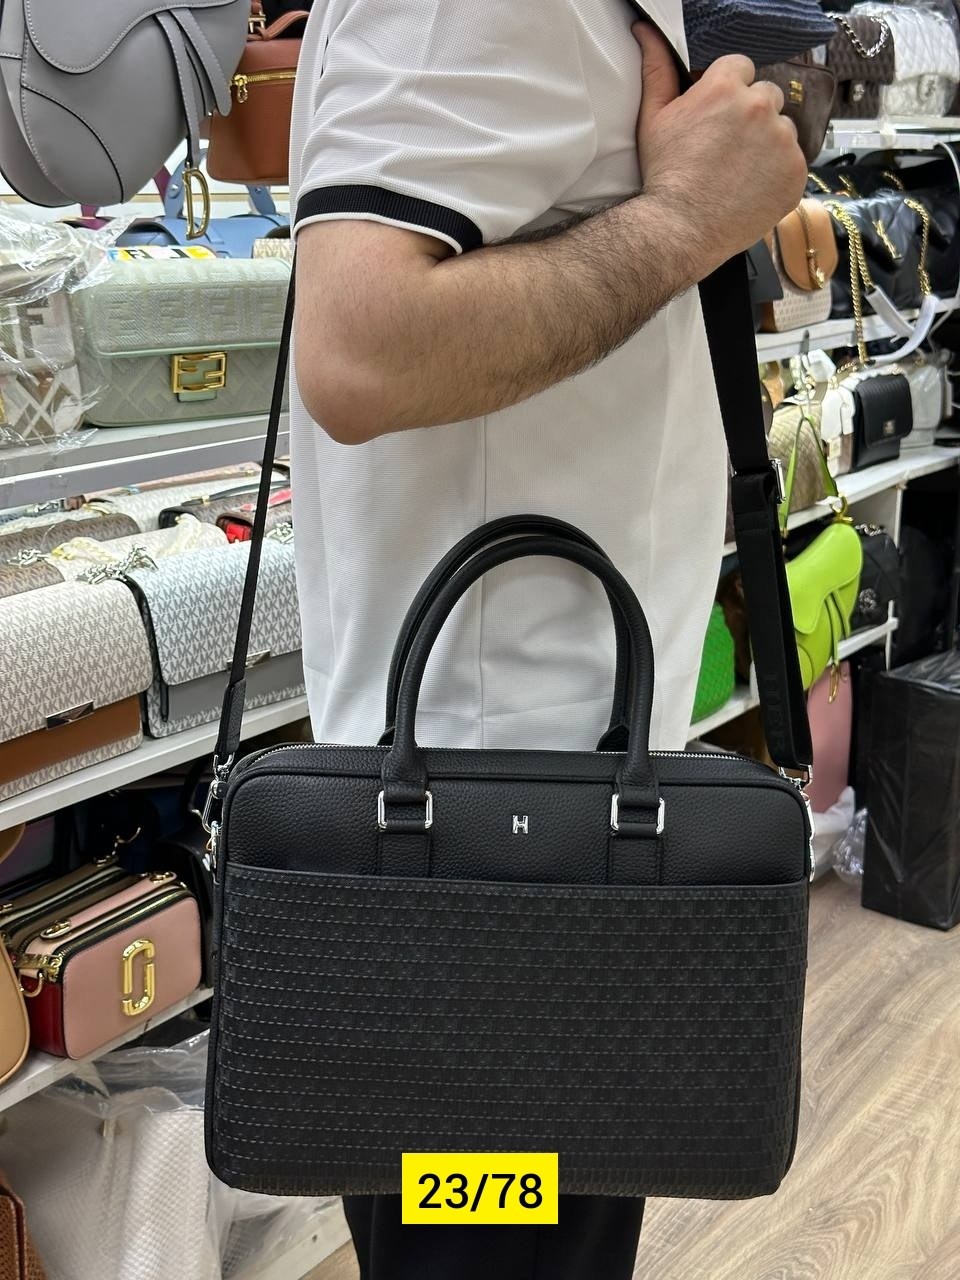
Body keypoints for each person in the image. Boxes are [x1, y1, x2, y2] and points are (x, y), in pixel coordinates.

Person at [288, 1, 805, 1276]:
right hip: (491, 891)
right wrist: (686, 222)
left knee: (530, 1245)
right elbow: (358, 348)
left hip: (532, 833)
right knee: (497, 1253)